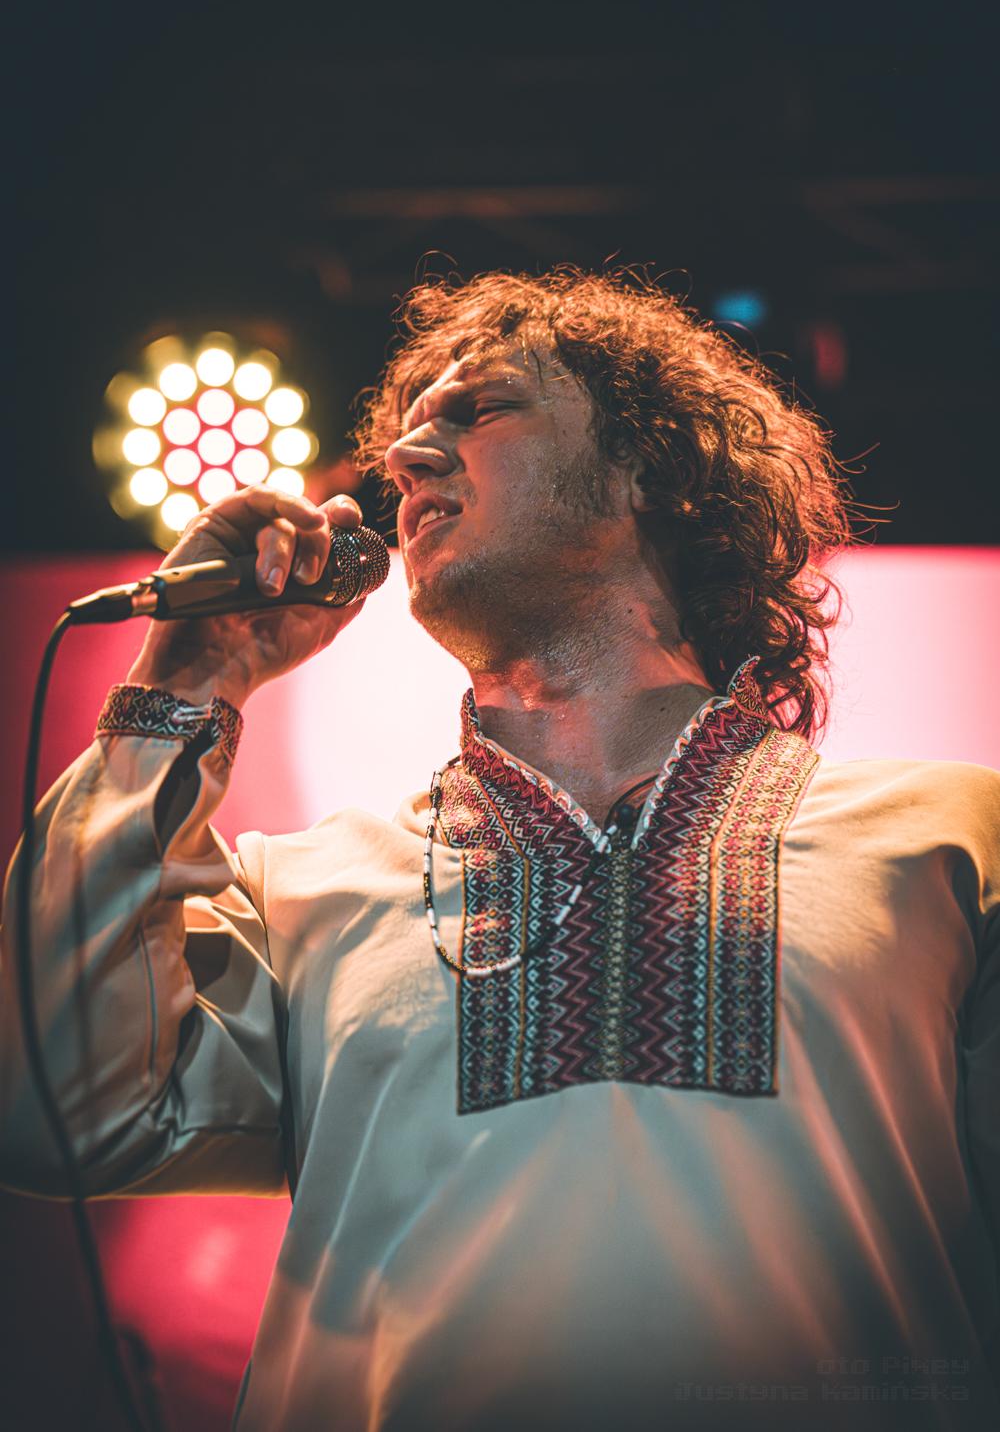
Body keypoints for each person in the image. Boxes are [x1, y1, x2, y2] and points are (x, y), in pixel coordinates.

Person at [2, 268, 998, 1431]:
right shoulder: (298, 893)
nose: (404, 457)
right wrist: (187, 679)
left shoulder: (949, 843)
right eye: (402, 439)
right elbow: (57, 1110)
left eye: (476, 410)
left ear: (649, 470)